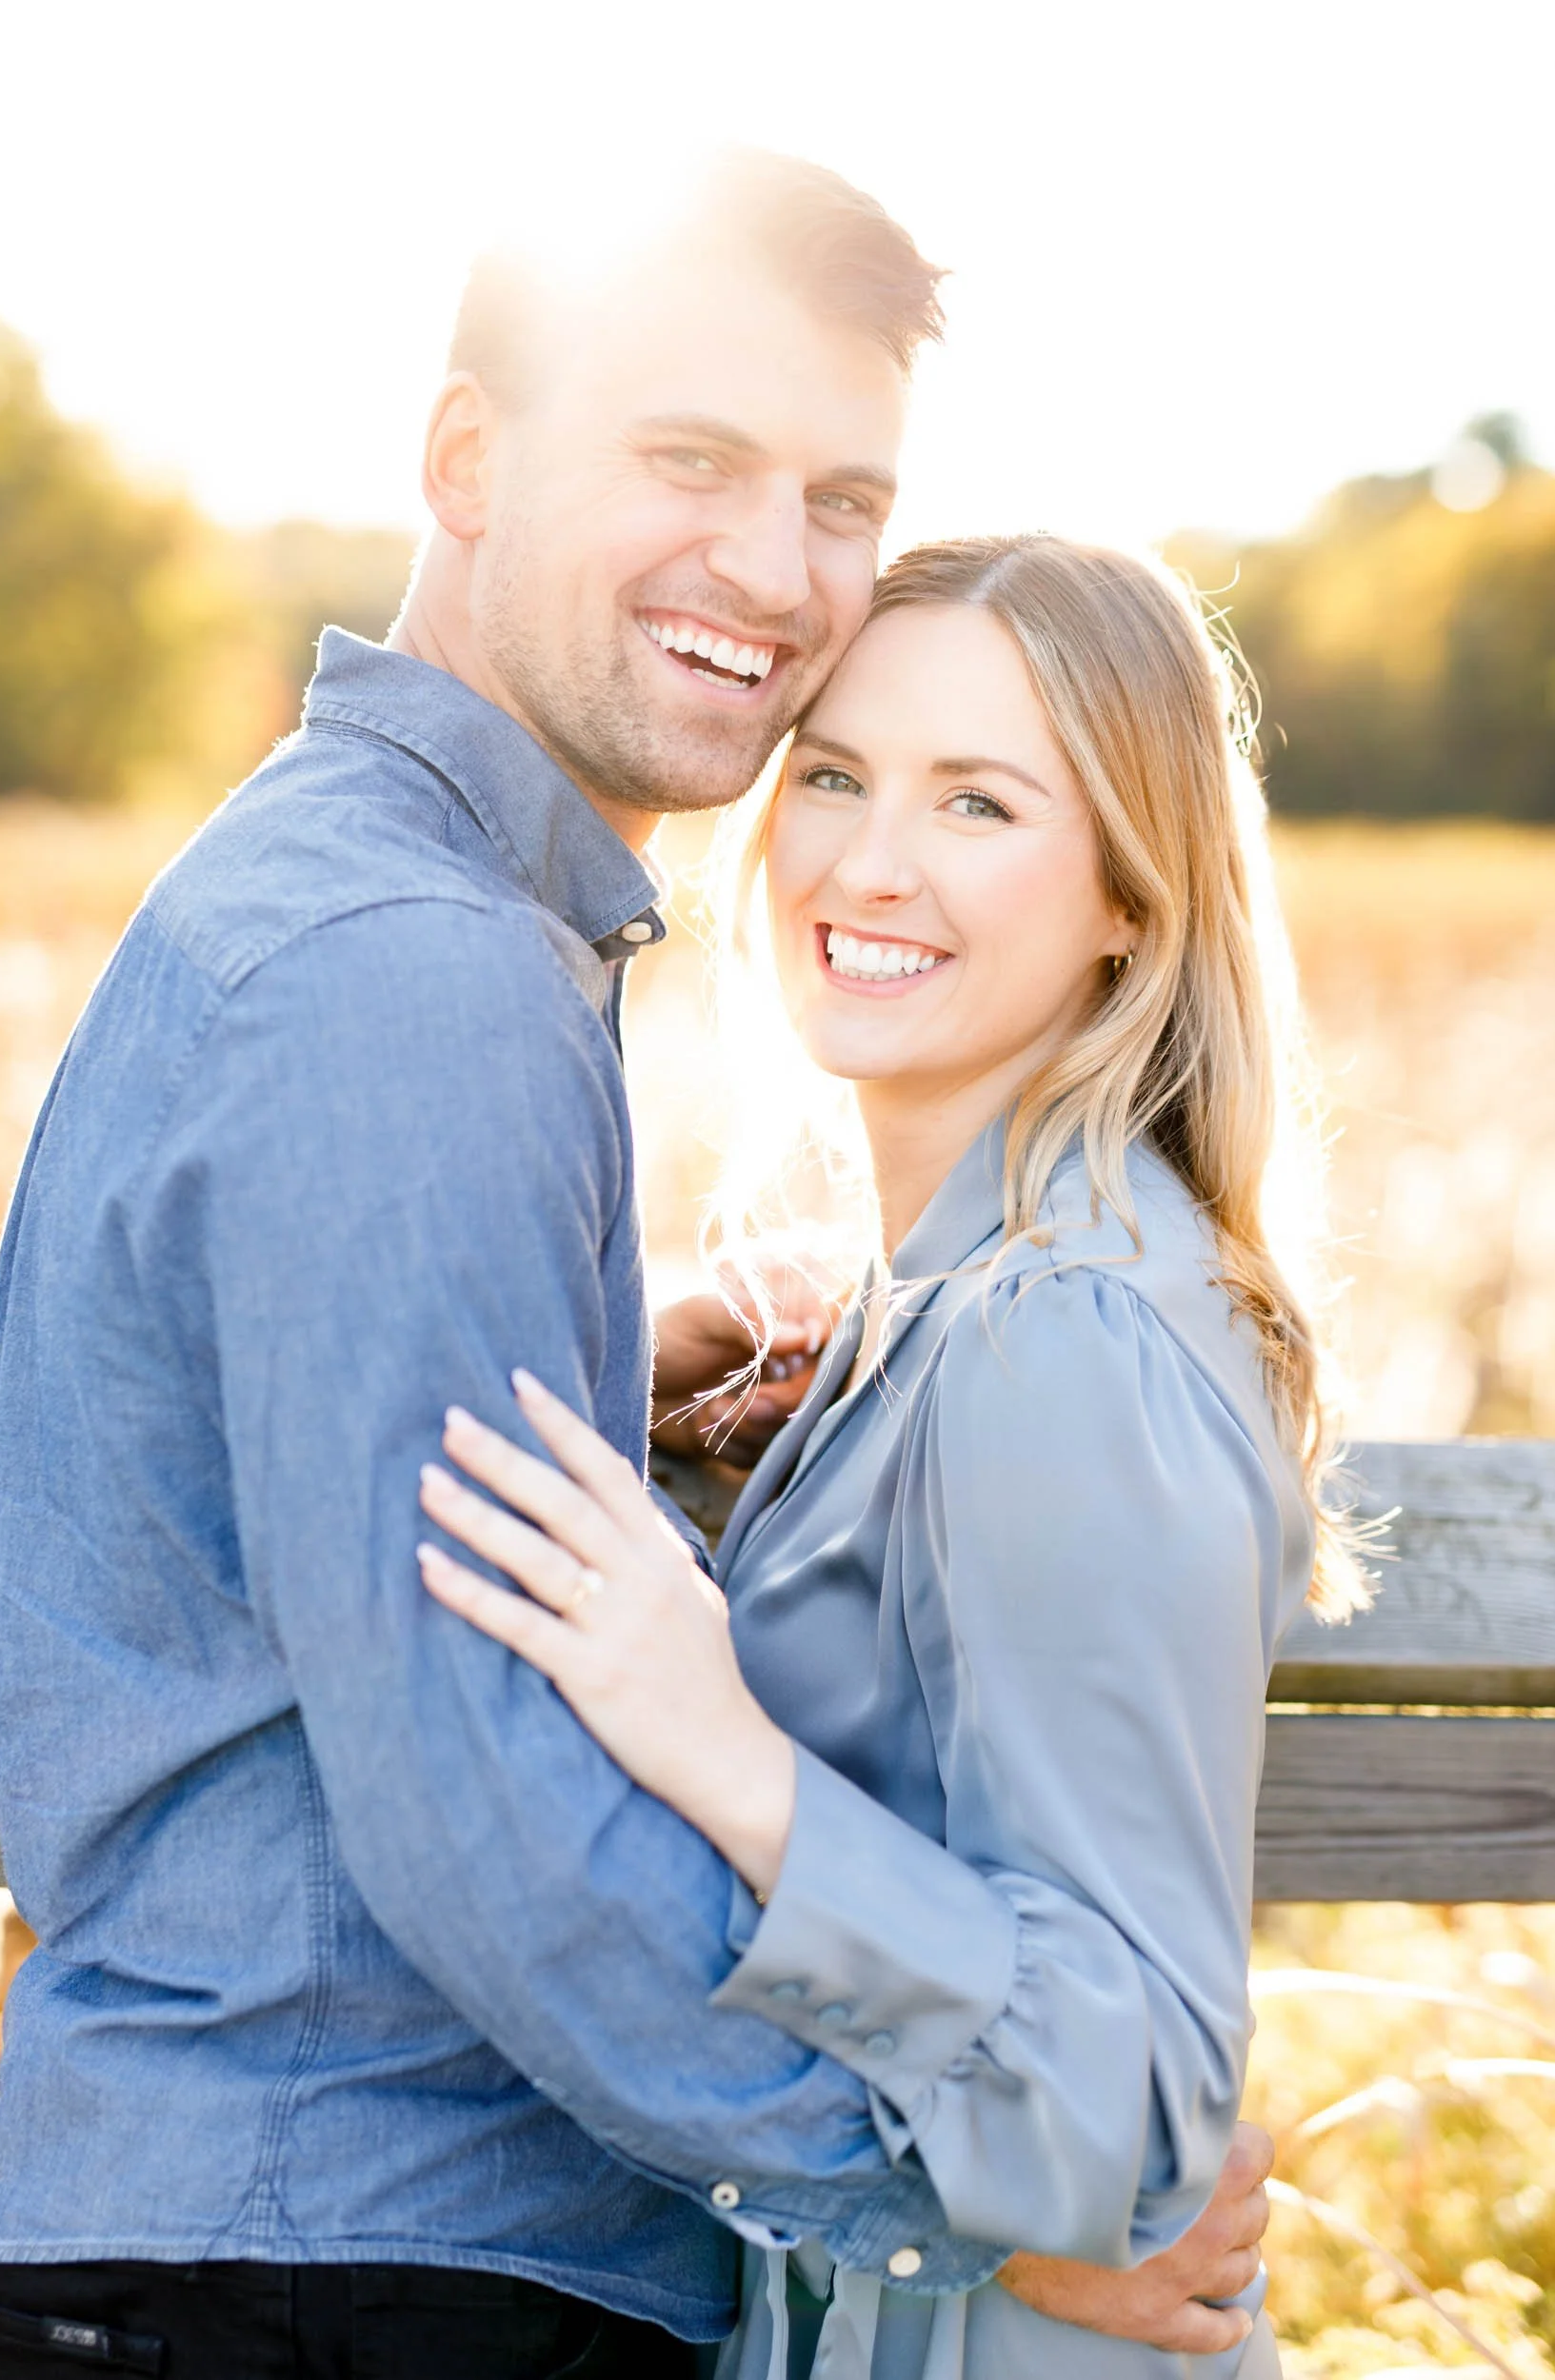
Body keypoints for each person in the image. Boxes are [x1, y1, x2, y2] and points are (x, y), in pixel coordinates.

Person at [0, 155, 1268, 2379]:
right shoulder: (419, 978)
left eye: (841, 495)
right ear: (466, 458)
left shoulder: (359, 912)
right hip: (354, 2276)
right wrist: (971, 2209)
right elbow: (489, 1813)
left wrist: (601, 1354)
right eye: (691, 458)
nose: (773, 575)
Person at [415, 532, 1363, 2376]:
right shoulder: (959, 1300)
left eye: (980, 802)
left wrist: (730, 1752)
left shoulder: (1058, 1338)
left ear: (1127, 897)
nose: (868, 858)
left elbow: (1136, 2103)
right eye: (835, 772)